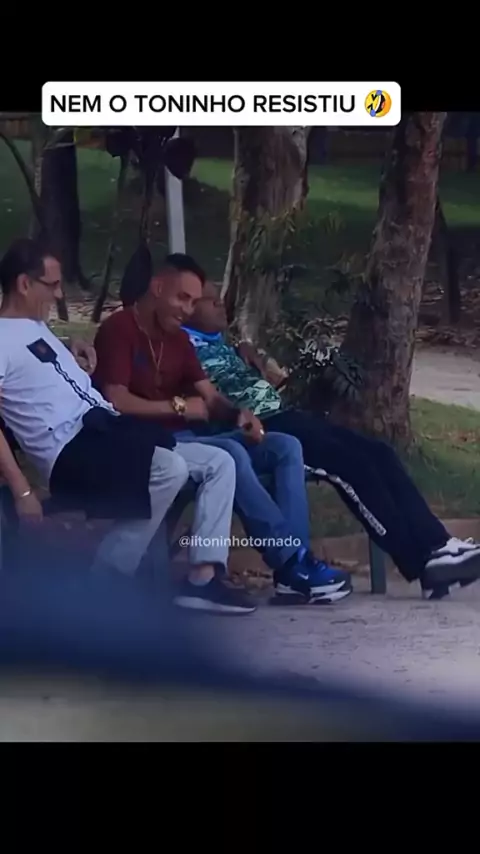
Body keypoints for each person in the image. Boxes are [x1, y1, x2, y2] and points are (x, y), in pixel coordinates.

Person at [0, 237, 256, 616]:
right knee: (168, 467)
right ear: (24, 284)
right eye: (52, 285)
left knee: (219, 462)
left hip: (108, 430)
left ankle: (202, 580)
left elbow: (34, 366)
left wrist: (71, 348)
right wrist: (22, 491)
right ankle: (106, 580)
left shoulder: (35, 327)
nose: (58, 294)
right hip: (72, 450)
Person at [182, 279, 480, 601]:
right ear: (188, 307)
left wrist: (248, 353)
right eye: (209, 300)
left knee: (380, 452)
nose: (220, 304)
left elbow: (268, 376)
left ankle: (438, 545)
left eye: (218, 298)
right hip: (262, 431)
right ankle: (422, 562)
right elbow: (207, 403)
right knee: (351, 466)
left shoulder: (219, 343)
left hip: (286, 416)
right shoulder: (183, 346)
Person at [93, 253, 352, 605]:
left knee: (284, 446)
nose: (187, 310)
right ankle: (290, 561)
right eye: (182, 298)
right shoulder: (120, 329)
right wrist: (178, 407)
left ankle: (296, 567)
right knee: (228, 453)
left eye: (193, 302)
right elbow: (116, 400)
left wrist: (237, 416)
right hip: (144, 442)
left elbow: (210, 398)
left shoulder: (177, 340)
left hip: (190, 440)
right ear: (157, 287)